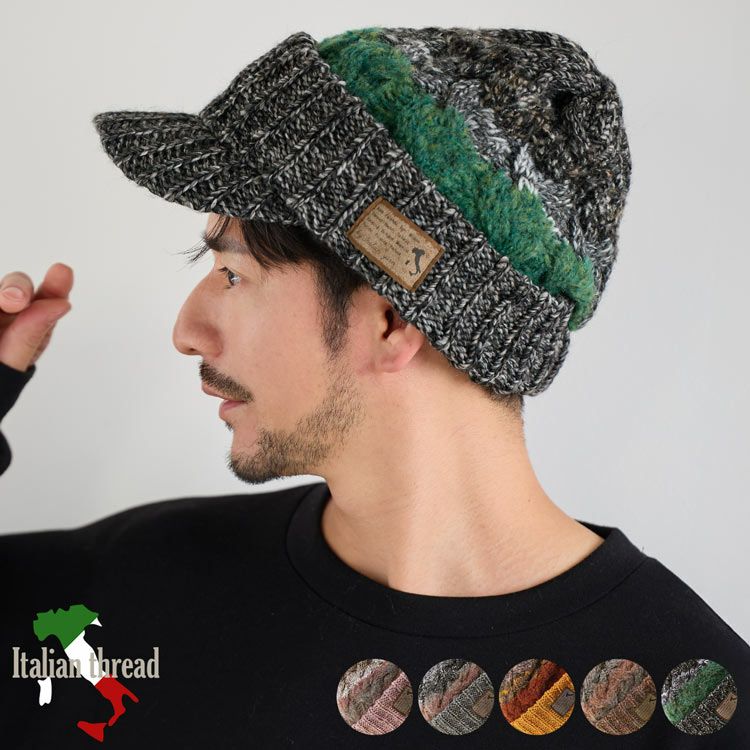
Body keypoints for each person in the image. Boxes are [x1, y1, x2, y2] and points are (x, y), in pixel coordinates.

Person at [0, 26, 747, 748]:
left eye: (232, 273)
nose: (187, 331)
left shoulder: (691, 713)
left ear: (393, 319)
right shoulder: (127, 593)